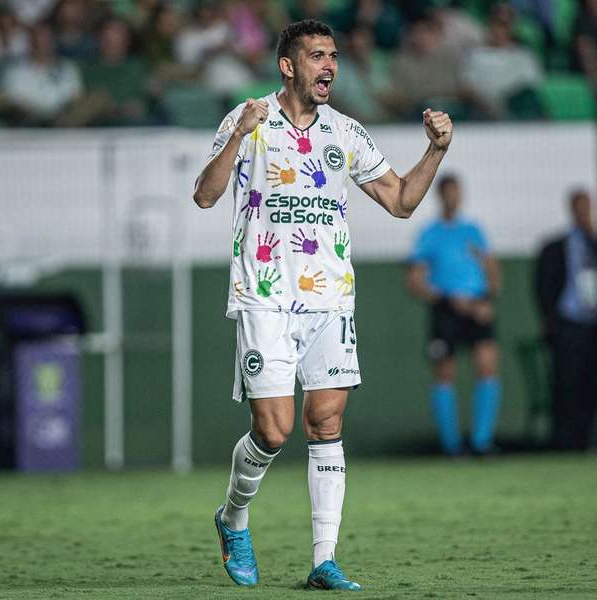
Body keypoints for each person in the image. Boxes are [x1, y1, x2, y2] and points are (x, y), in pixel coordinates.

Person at [192, 19, 453, 591]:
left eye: (333, 55)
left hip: (330, 299)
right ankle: (233, 517)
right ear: (288, 66)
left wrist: (435, 151)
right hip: (263, 297)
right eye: (317, 56)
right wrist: (238, 134)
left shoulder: (347, 133)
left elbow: (403, 201)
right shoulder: (249, 120)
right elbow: (206, 194)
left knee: (326, 420)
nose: (329, 65)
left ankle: (324, 560)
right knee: (274, 431)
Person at [406, 174, 502, 456]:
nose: (454, 198)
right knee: (445, 374)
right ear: (440, 195)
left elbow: (493, 271)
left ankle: (481, 442)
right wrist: (447, 299)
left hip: (477, 308)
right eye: (449, 193)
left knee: (487, 366)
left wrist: (486, 299)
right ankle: (452, 446)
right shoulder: (430, 233)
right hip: (446, 311)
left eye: (457, 192)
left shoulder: (474, 231)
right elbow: (415, 281)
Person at [535, 190, 597, 451]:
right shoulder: (557, 246)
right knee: (565, 383)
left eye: (588, 207)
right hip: (568, 325)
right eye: (580, 207)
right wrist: (550, 319)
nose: (584, 212)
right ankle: (564, 442)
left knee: (591, 384)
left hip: (595, 326)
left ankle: (587, 440)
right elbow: (543, 286)